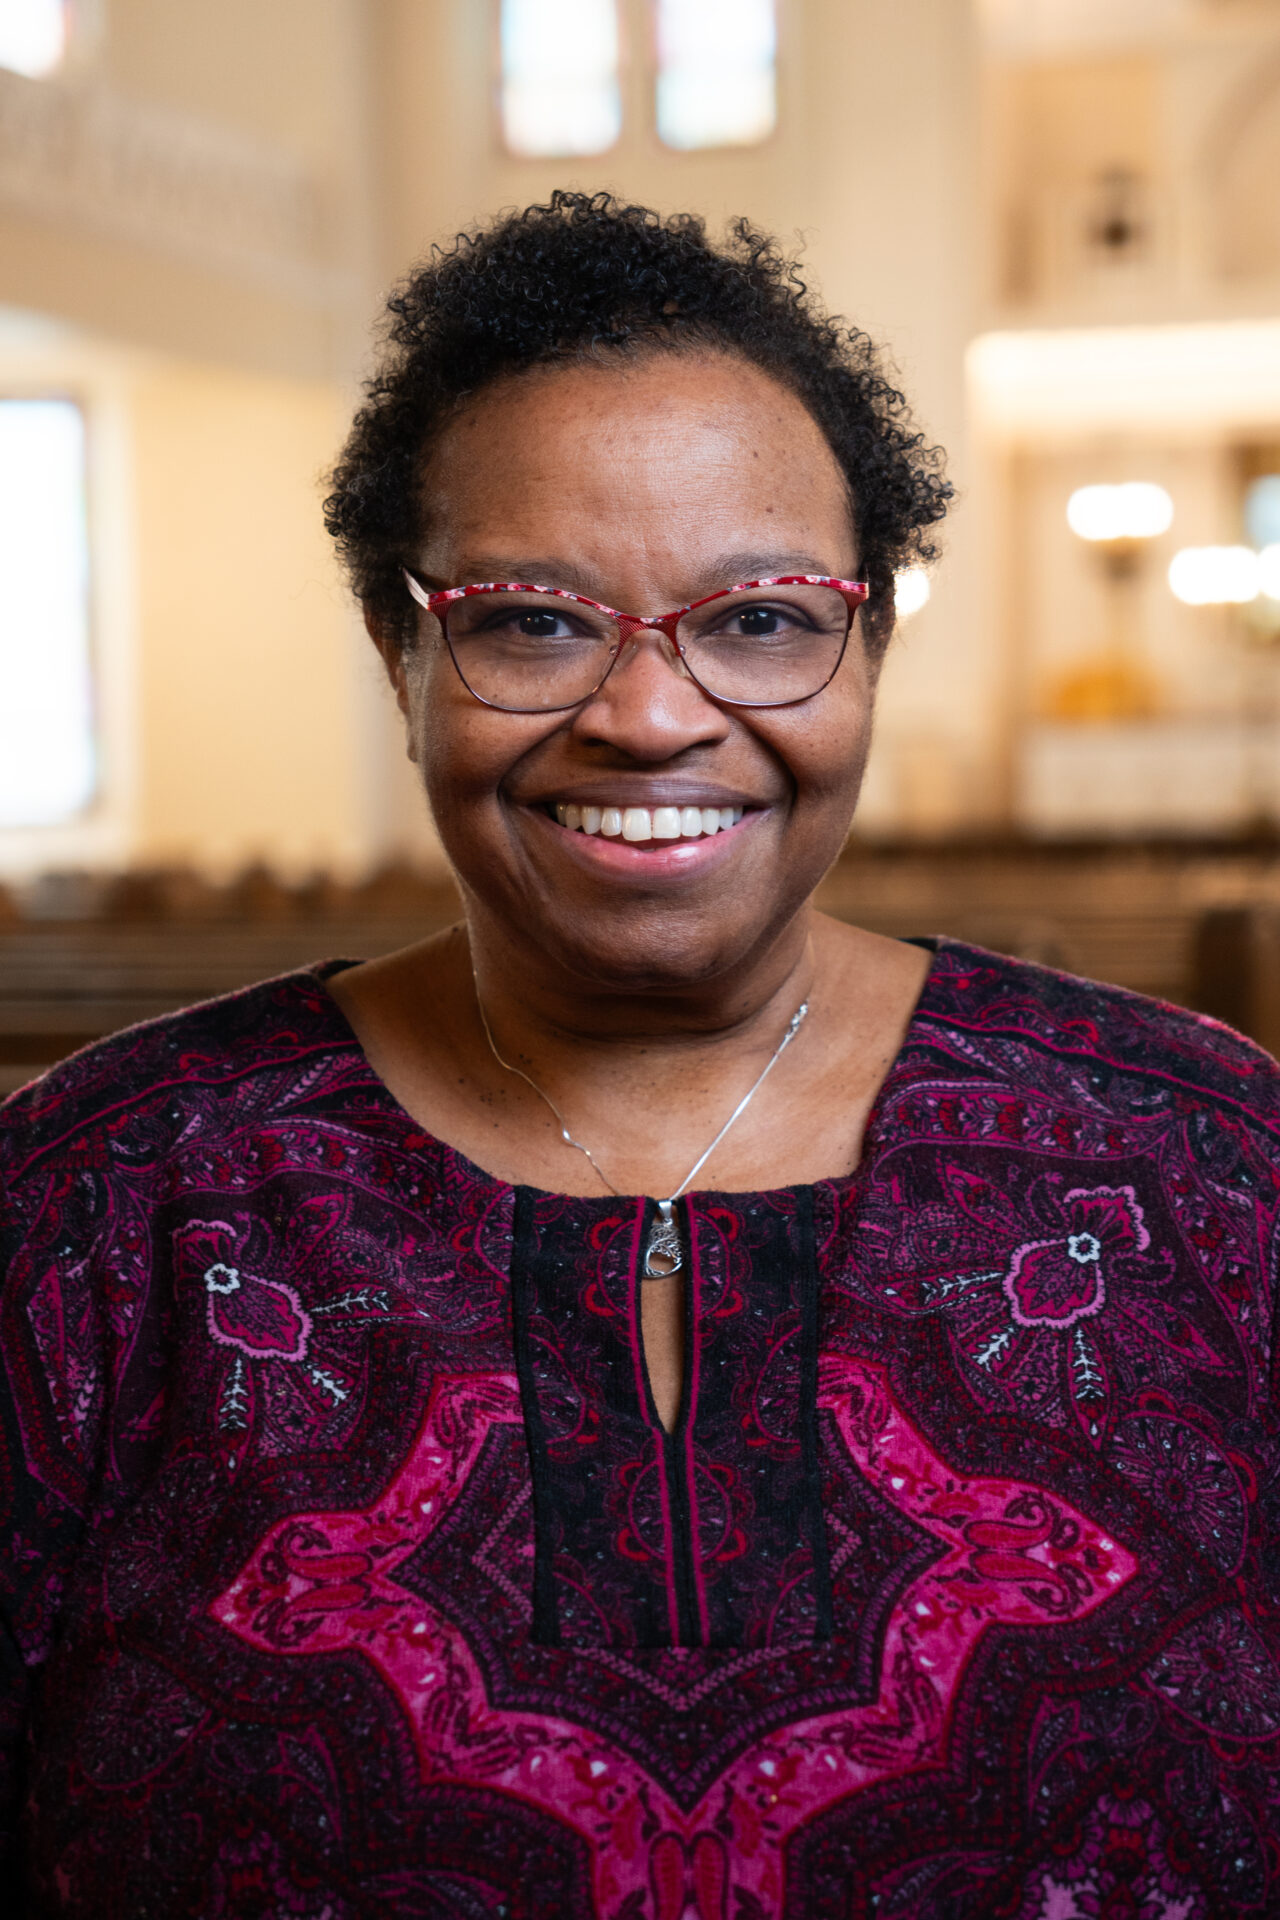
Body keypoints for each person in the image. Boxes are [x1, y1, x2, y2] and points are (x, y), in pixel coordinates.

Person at [2, 191, 1278, 1920]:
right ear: (405, 651)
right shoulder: (94, 1208)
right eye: (534, 619)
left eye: (761, 617)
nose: (653, 714)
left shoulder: (1210, 1170)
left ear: (871, 649)